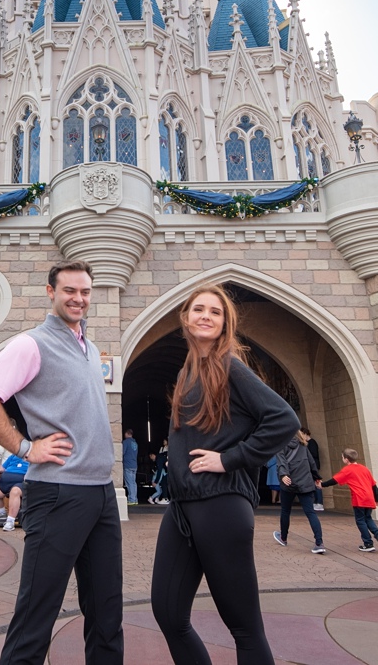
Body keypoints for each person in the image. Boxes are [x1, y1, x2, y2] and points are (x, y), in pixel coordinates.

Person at [0, 259, 122, 665]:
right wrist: (25, 448)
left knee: (107, 613)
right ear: (51, 292)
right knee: (38, 613)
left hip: (101, 494)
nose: (78, 298)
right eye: (69, 290)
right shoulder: (30, 344)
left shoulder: (89, 348)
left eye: (85, 292)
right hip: (57, 494)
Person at [151, 284, 298, 665]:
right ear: (185, 318)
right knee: (168, 613)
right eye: (198, 309)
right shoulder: (188, 370)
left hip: (220, 504)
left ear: (225, 323)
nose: (205, 316)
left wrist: (230, 459)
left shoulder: (230, 366)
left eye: (215, 312)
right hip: (183, 507)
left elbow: (283, 419)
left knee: (244, 628)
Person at [274, 429, 325, 554]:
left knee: (285, 511)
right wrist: (317, 477)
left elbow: (281, 461)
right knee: (311, 513)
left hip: (289, 482)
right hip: (305, 481)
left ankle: (283, 537)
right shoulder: (303, 445)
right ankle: (319, 543)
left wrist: (283, 474)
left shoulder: (281, 444)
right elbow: (312, 463)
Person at [320, 448, 378, 552]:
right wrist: (376, 498)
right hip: (369, 498)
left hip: (359, 498)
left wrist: (322, 485)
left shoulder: (348, 470)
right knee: (368, 519)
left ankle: (368, 543)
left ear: (346, 459)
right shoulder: (364, 468)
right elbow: (374, 485)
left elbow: (335, 480)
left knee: (360, 520)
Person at [0, 450, 29, 532]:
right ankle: (2, 512)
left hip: (21, 482)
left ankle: (10, 521)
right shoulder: (13, 456)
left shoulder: (33, 458)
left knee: (15, 491)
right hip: (5, 482)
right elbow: (2, 468)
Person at [303, 428, 324, 510]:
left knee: (316, 484)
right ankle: (315, 502)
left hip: (314, 466)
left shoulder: (312, 442)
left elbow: (314, 454)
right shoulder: (307, 443)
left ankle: (319, 502)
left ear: (305, 434)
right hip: (310, 466)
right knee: (312, 484)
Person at [122, 429, 138, 506]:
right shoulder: (135, 443)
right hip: (134, 464)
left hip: (127, 465)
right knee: (133, 483)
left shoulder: (126, 442)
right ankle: (135, 499)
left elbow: (122, 452)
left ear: (127, 433)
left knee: (129, 483)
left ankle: (131, 499)